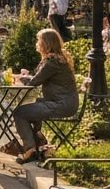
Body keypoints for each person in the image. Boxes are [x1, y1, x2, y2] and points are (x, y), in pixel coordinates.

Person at [8, 28, 79, 164]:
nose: (37, 44)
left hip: (61, 105)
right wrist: (24, 77)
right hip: (62, 102)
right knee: (31, 107)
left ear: (46, 44)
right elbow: (36, 77)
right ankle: (39, 144)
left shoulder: (52, 61)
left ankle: (30, 149)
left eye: (39, 41)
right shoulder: (56, 59)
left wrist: (17, 78)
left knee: (19, 113)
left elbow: (34, 81)